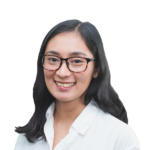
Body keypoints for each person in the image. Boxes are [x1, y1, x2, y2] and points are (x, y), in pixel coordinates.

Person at [13, 19, 139, 150]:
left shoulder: (119, 137)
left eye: (77, 61)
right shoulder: (26, 135)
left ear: (96, 69)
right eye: (53, 59)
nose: (62, 72)